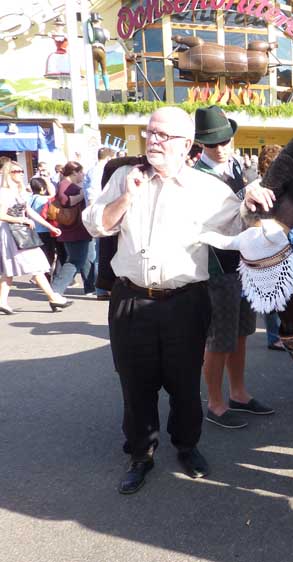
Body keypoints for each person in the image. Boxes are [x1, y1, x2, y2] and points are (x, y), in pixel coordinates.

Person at [82, 107, 257, 495]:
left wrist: (255, 196)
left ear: (187, 145)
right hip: (131, 299)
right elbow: (94, 223)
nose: (153, 140)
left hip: (185, 301)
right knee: (135, 383)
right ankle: (140, 455)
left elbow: (242, 221)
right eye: (150, 133)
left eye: (163, 135)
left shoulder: (208, 189)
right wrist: (126, 198)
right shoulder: (125, 176)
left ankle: (187, 445)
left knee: (183, 382)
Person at [193, 105, 274, 430]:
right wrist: (247, 193)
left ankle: (238, 393)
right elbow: (214, 217)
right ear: (201, 145)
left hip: (241, 262)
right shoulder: (197, 176)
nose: (222, 146)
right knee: (220, 338)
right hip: (217, 266)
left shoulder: (235, 165)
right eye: (214, 143)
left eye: (226, 139)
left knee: (242, 332)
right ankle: (215, 401)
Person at [0, 161, 71, 314]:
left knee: (9, 271)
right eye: (15, 171)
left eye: (21, 171)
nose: (19, 173)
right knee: (35, 265)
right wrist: (21, 220)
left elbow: (30, 212)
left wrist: (50, 226)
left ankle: (2, 302)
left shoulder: (20, 193)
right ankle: (53, 297)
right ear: (8, 174)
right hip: (13, 234)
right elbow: (1, 214)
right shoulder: (4, 192)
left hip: (21, 233)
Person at [252, 144, 284, 351]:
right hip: (265, 246)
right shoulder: (258, 187)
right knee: (270, 296)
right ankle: (273, 337)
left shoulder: (278, 185)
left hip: (277, 245)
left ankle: (279, 335)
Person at [51, 161, 96, 297]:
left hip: (79, 228)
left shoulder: (68, 184)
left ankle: (91, 287)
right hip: (74, 229)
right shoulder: (65, 184)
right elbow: (66, 201)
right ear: (74, 172)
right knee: (76, 260)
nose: (83, 175)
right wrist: (83, 194)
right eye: (81, 172)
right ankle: (55, 290)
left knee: (88, 258)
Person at [84, 148, 115, 299]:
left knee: (101, 252)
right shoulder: (99, 171)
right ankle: (101, 288)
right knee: (101, 253)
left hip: (101, 213)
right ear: (109, 157)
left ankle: (102, 287)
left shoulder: (93, 170)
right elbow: (93, 195)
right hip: (101, 214)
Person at [28, 177, 60, 281]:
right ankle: (42, 277)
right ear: (42, 188)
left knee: (40, 255)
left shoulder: (29, 198)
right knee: (49, 255)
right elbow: (53, 197)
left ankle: (39, 276)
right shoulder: (44, 200)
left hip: (33, 230)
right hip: (45, 230)